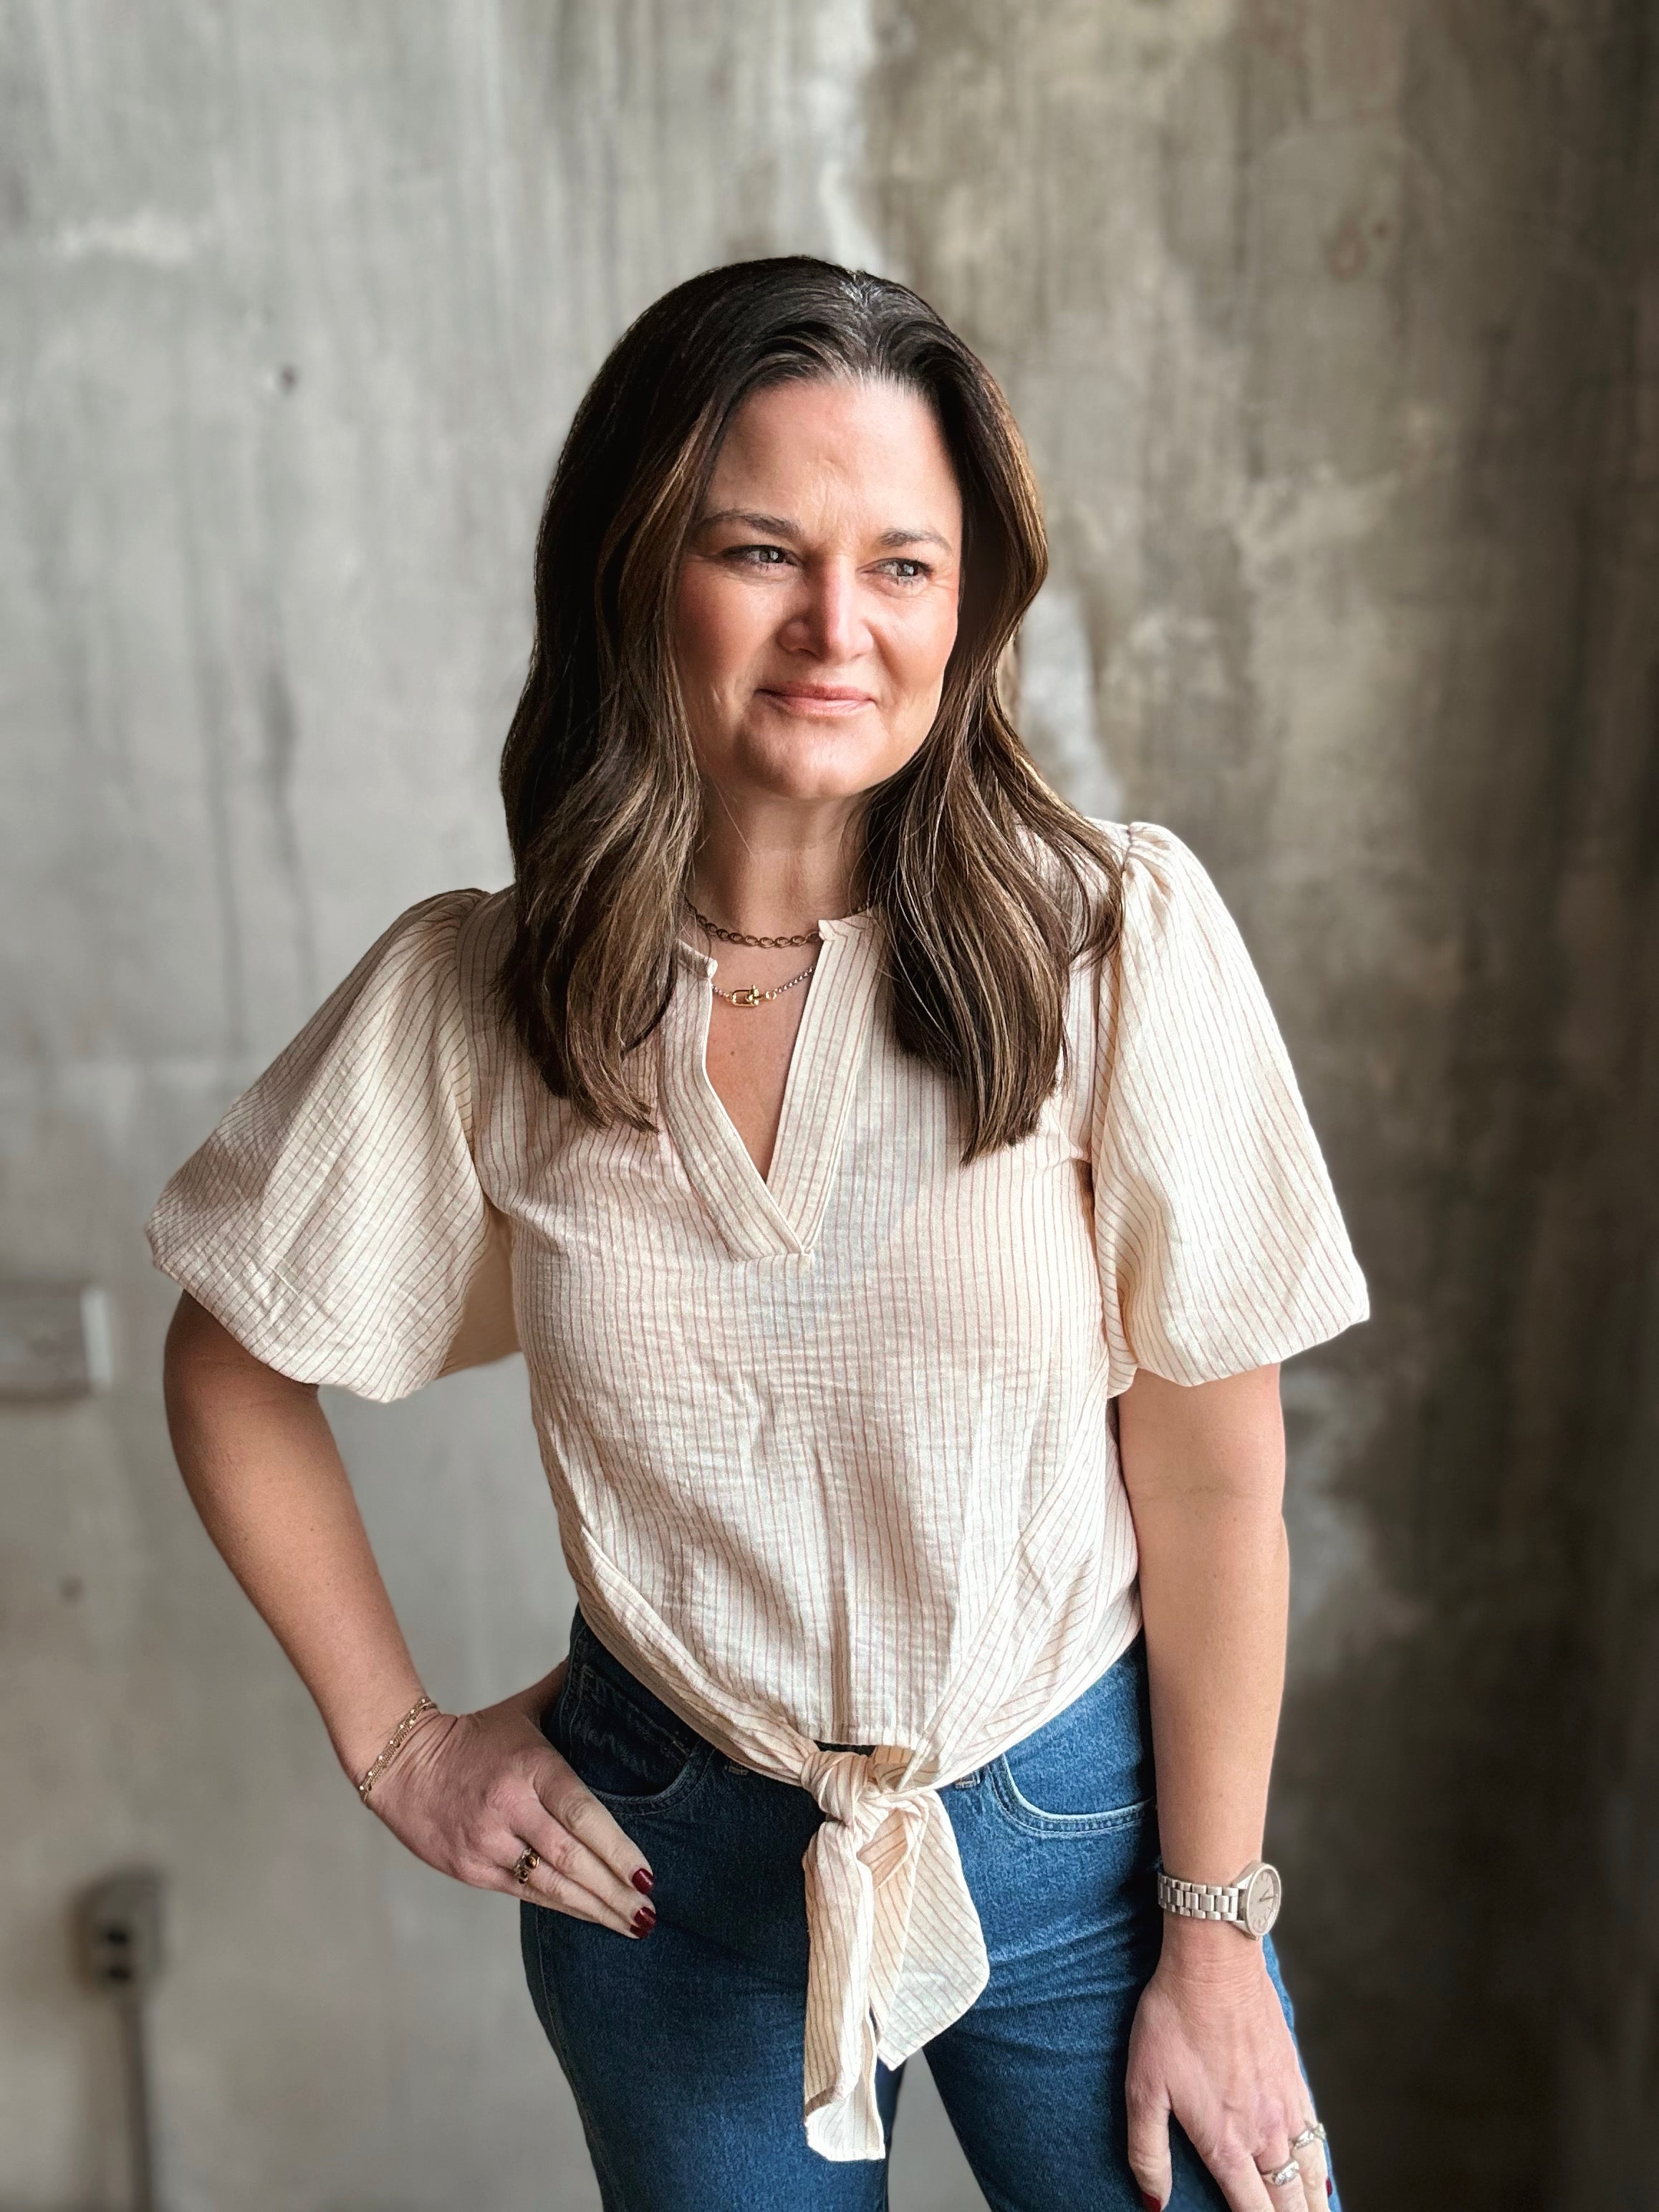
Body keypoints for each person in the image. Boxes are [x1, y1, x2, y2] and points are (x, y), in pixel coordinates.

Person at [151, 257, 1367, 2212]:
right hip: (669, 1876)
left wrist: (1215, 1933)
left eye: (902, 563)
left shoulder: (1103, 947)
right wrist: (397, 1741)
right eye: (758, 550)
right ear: (640, 569)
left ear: (967, 608)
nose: (836, 627)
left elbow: (1217, 1480)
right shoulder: (486, 998)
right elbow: (230, 1363)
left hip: (1091, 1851)